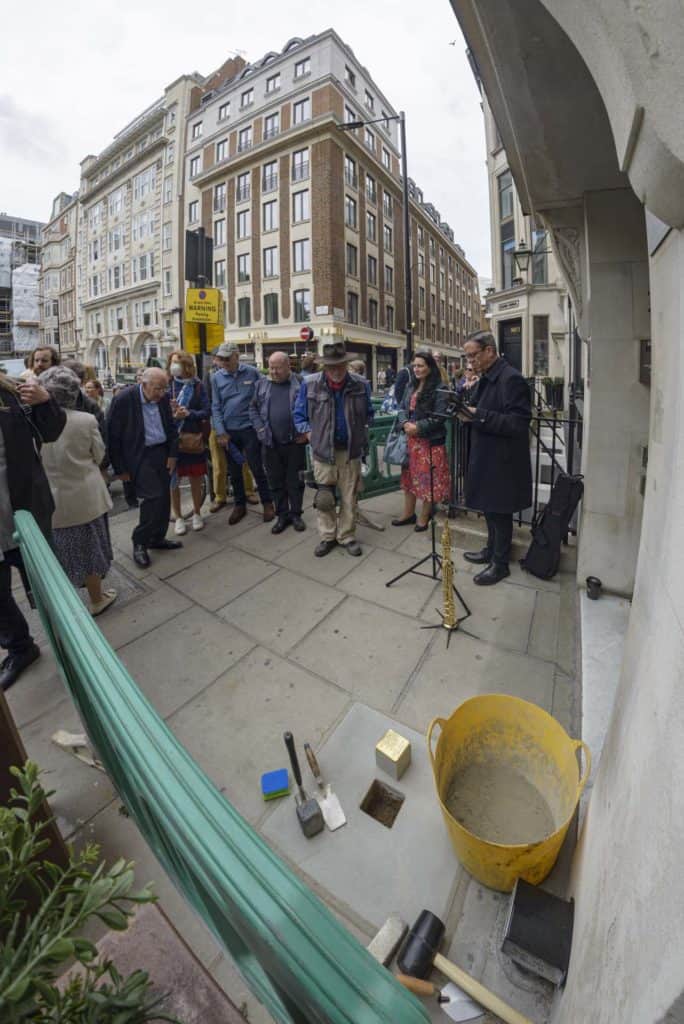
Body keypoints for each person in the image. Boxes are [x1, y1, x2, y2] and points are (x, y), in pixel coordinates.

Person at [0, 375, 66, 691]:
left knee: (46, 585)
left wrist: (44, 401)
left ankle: (67, 640)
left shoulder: (11, 392)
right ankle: (20, 648)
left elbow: (51, 431)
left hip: (25, 513)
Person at [39, 368, 116, 616]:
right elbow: (100, 454)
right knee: (91, 549)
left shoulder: (31, 424)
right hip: (86, 497)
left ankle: (67, 605)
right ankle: (97, 599)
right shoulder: (85, 420)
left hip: (52, 500)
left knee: (64, 552)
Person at [459, 330, 532, 585]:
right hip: (487, 455)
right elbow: (482, 412)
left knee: (500, 513)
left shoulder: (511, 379)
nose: (470, 362)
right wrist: (467, 414)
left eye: (473, 356)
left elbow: (519, 423)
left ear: (490, 351)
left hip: (503, 461)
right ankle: (490, 550)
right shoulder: (488, 377)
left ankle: (500, 564)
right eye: (467, 357)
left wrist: (477, 415)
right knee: (490, 509)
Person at [294, 341, 374, 557]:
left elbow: (369, 413)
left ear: (346, 364)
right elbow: (299, 415)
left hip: (350, 453)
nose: (336, 371)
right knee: (324, 499)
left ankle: (346, 536)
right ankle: (328, 536)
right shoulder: (309, 384)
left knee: (350, 498)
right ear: (324, 367)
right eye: (331, 366)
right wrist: (310, 434)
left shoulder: (360, 384)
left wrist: (361, 429)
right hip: (322, 452)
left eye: (340, 365)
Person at [107, 367, 181, 568]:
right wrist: (120, 469)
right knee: (152, 497)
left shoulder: (163, 398)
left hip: (162, 454)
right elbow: (112, 436)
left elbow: (172, 428)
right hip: (139, 455)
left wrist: (173, 454)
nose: (161, 393)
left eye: (164, 388)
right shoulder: (123, 400)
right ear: (144, 384)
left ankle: (157, 537)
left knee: (164, 497)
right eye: (157, 388)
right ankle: (140, 541)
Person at [211, 342, 274, 525]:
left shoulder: (252, 373)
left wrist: (262, 425)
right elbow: (216, 407)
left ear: (237, 357)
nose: (224, 362)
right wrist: (221, 432)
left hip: (249, 429)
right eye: (221, 359)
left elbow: (263, 399)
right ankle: (240, 505)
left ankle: (268, 503)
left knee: (256, 467)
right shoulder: (216, 378)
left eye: (227, 358)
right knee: (235, 471)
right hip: (229, 433)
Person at [392, 351, 450, 531]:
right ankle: (408, 513)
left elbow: (439, 417)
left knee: (427, 480)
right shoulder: (411, 385)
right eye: (415, 366)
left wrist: (418, 427)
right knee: (409, 479)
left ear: (430, 367)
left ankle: (424, 515)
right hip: (410, 442)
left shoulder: (440, 388)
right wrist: (405, 423)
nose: (416, 369)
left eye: (421, 366)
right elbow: (401, 407)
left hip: (429, 442)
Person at [250, 351, 306, 534]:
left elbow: (312, 408)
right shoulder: (262, 384)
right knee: (275, 481)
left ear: (288, 366)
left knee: (295, 481)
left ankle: (296, 514)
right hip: (270, 442)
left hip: (294, 442)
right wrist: (259, 429)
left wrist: (306, 431)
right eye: (271, 367)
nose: (273, 372)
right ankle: (282, 515)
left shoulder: (300, 383)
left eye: (277, 368)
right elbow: (253, 409)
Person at [167, 350, 210, 535]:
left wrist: (190, 413)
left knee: (195, 478)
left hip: (192, 438)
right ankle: (178, 517)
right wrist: (172, 413)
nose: (174, 365)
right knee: (174, 481)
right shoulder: (167, 385)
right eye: (172, 362)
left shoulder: (198, 386)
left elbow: (206, 411)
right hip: (173, 440)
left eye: (177, 362)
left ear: (187, 365)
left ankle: (197, 513)